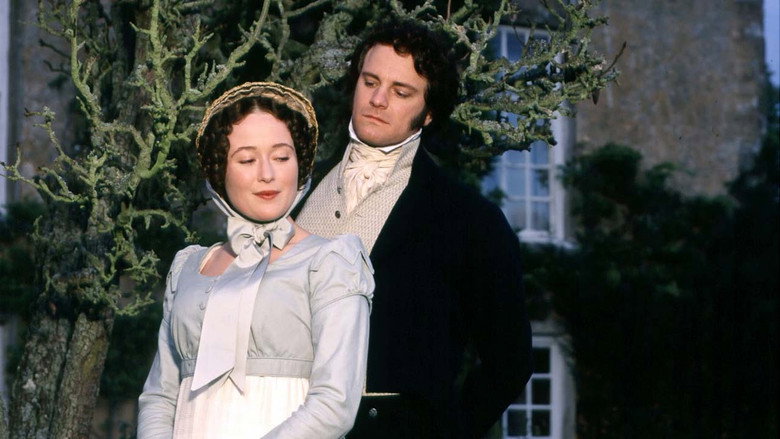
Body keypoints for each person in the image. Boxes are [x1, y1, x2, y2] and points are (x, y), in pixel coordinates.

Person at [296, 19, 532, 438]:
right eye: (370, 82)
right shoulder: (292, 191)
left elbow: (509, 362)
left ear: (428, 112)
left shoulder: (469, 221)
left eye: (401, 92)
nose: (378, 99)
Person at [138, 82, 374, 439]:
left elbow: (334, 404)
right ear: (220, 171)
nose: (267, 173)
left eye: (281, 157)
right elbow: (159, 396)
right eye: (247, 160)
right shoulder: (188, 267)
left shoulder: (332, 262)